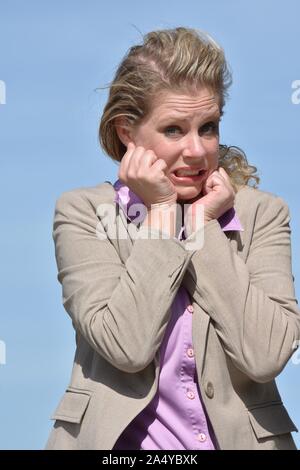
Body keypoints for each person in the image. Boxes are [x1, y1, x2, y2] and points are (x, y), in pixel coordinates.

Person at [45, 26, 300, 450]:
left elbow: (266, 355)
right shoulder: (84, 212)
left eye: (208, 127)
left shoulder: (262, 214)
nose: (197, 151)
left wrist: (201, 224)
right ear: (128, 132)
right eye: (174, 130)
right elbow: (126, 346)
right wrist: (163, 213)